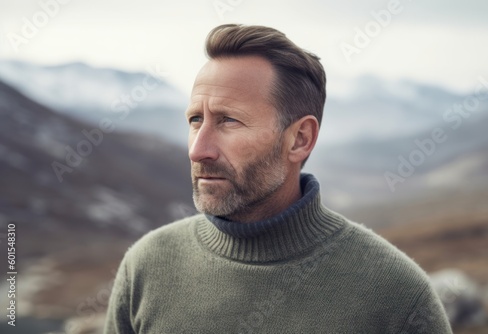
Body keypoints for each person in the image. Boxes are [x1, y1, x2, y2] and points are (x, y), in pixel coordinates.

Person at [104, 24, 452, 333]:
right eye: (196, 119)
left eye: (228, 121)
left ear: (300, 139)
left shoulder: (397, 296)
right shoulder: (147, 267)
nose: (199, 150)